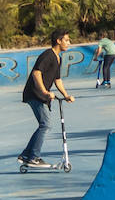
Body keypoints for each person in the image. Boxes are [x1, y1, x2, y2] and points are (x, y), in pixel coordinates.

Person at [18, 30, 75, 168]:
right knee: (46, 124)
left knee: (44, 124)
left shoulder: (58, 58)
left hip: (40, 95)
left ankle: (26, 155)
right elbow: (36, 73)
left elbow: (57, 80)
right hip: (35, 94)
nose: (69, 43)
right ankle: (33, 157)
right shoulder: (48, 55)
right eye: (66, 40)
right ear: (58, 41)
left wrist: (66, 95)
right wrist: (44, 91)